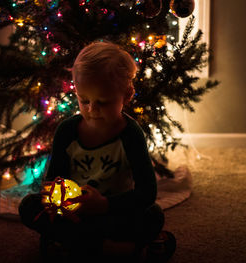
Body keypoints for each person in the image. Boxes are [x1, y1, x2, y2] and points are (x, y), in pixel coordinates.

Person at [18, 41, 176, 262]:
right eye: (84, 100)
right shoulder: (67, 130)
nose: (92, 110)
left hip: (113, 213)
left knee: (153, 215)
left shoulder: (130, 135)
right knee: (29, 206)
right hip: (75, 213)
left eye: (103, 102)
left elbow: (147, 192)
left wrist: (104, 205)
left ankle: (74, 246)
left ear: (127, 95)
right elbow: (53, 179)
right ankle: (110, 248)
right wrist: (58, 202)